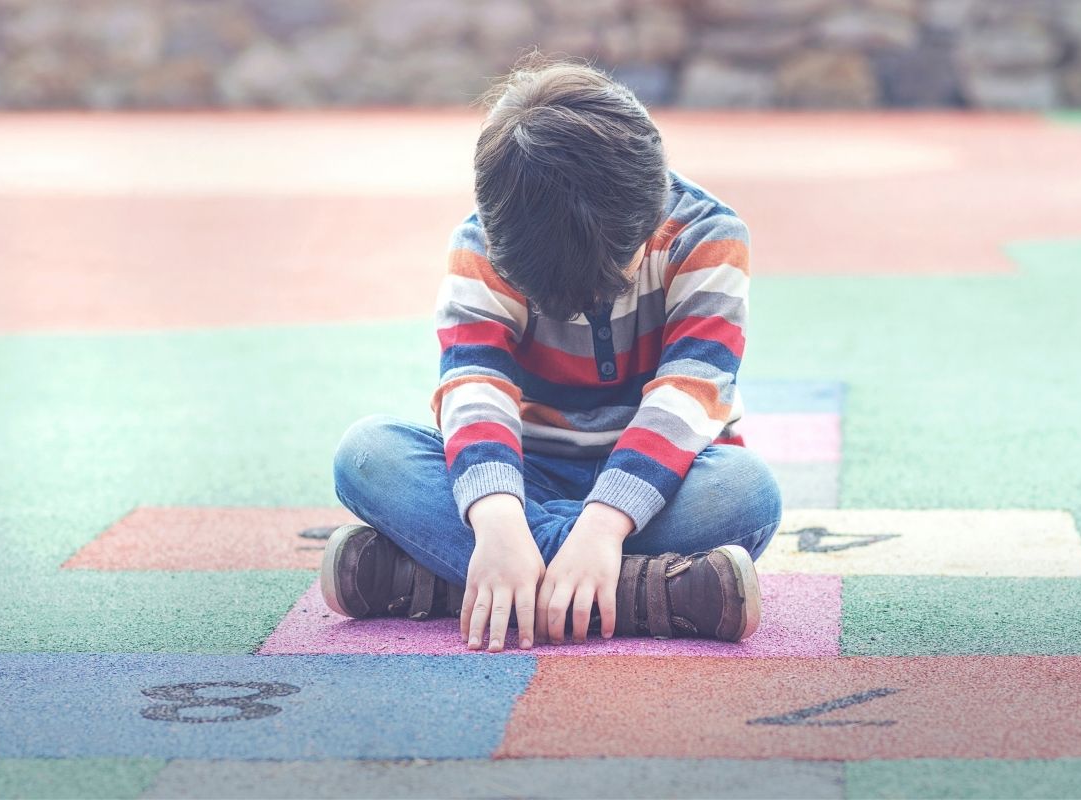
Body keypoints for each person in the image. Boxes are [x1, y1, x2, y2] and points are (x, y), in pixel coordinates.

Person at [324, 52, 782, 653]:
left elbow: (689, 395)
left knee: (747, 493)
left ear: (648, 227)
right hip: (523, 476)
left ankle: (446, 582)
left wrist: (603, 525)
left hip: (667, 481)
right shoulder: (491, 241)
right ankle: (647, 592)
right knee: (367, 453)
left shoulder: (709, 236)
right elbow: (473, 386)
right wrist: (498, 520)